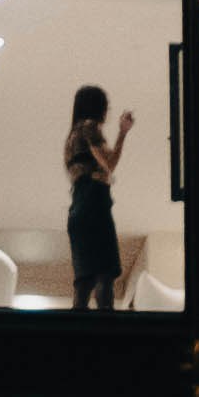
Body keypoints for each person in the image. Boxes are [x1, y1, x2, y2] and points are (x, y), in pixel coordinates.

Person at [64, 85, 134, 311]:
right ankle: (108, 328)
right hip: (94, 200)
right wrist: (123, 132)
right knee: (105, 270)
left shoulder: (71, 137)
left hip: (78, 205)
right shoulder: (89, 128)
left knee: (84, 277)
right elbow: (110, 163)